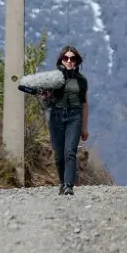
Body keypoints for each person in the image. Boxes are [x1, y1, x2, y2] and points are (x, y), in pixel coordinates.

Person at [41, 45, 89, 195]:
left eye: (72, 58)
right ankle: (63, 182)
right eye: (66, 58)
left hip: (74, 117)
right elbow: (45, 100)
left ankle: (69, 185)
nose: (69, 61)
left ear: (77, 61)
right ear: (61, 60)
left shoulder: (82, 80)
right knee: (59, 155)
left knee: (70, 152)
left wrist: (85, 127)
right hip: (56, 117)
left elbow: (85, 104)